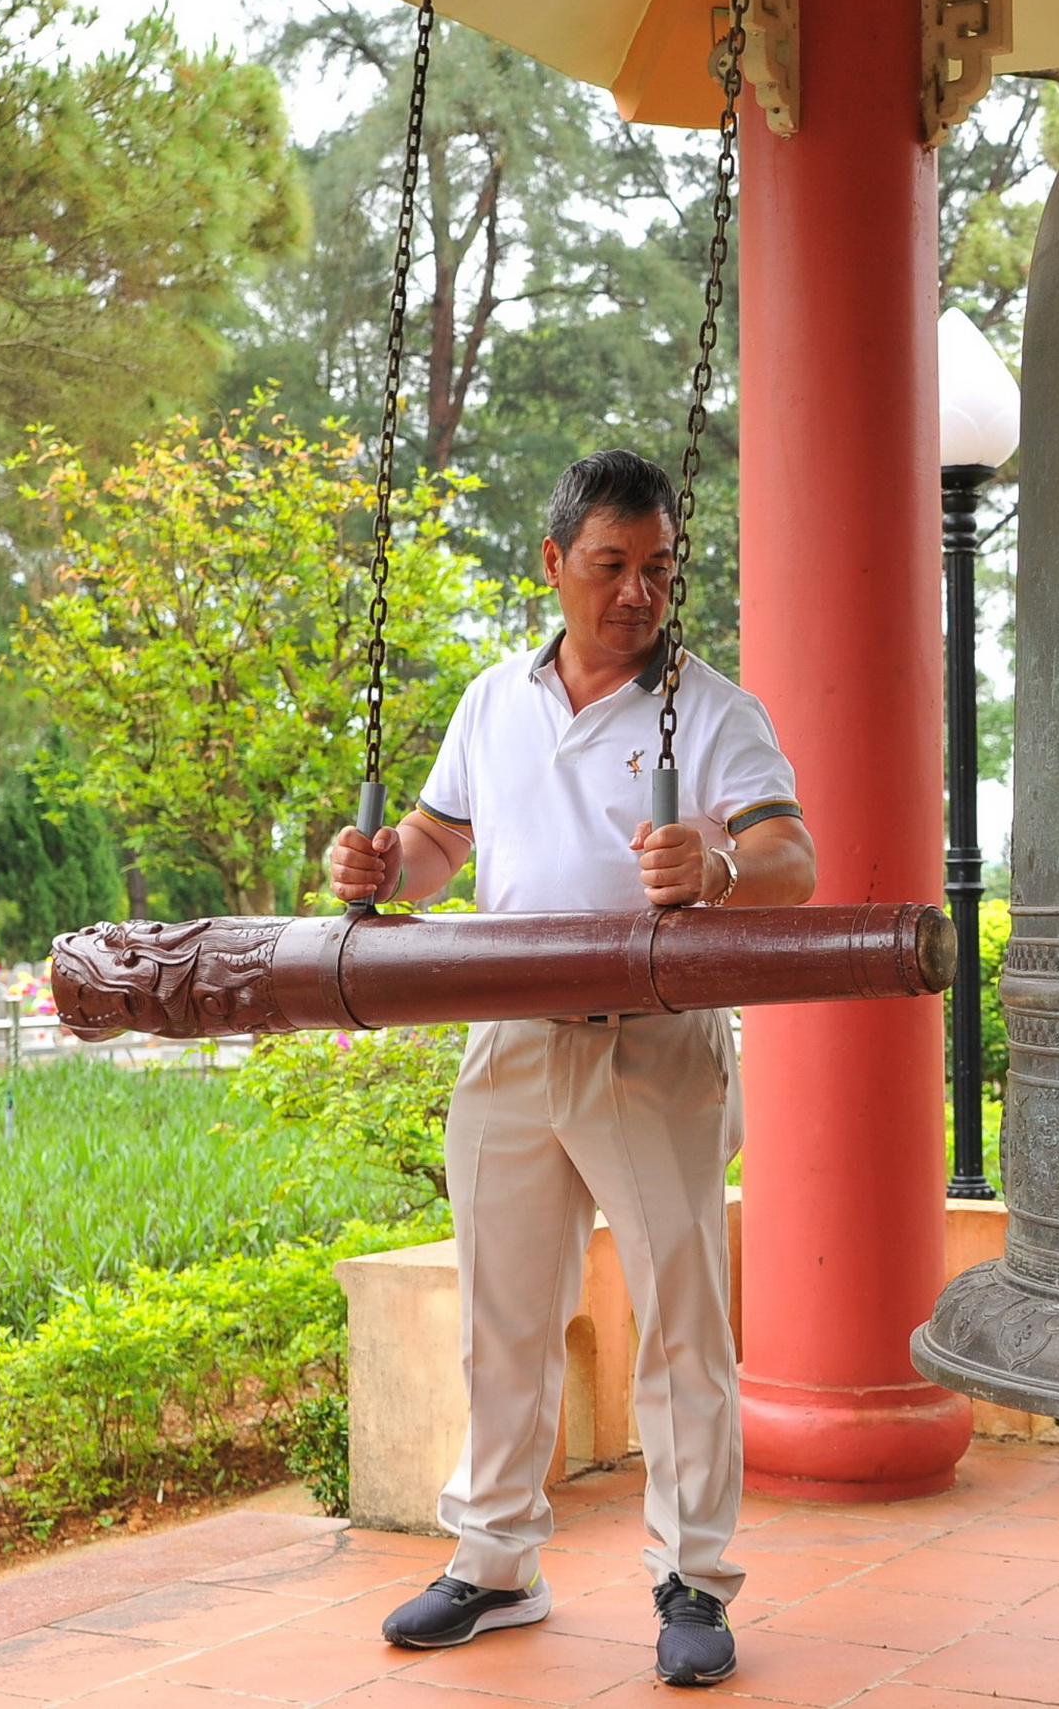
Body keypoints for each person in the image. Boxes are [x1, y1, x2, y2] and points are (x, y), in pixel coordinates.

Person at [326, 450, 815, 1685]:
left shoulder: (711, 709)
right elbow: (440, 839)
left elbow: (791, 860)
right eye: (611, 566)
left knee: (681, 1326)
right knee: (502, 1318)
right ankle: (494, 1562)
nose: (637, 592)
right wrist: (385, 863)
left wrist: (713, 869)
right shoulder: (493, 699)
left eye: (657, 568)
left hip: (652, 1049)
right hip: (508, 1044)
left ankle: (694, 1574)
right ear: (553, 565)